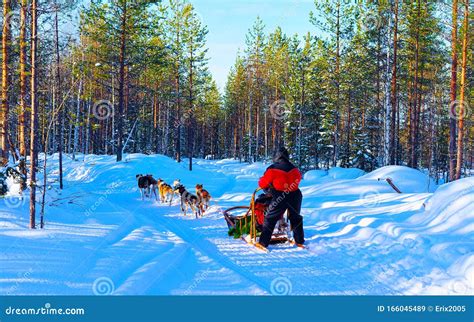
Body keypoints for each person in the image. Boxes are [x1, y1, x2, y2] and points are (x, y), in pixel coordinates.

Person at [256, 147, 305, 250]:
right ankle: (300, 240)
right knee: (296, 218)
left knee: (270, 218)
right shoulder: (295, 169)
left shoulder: (272, 168)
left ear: (276, 156)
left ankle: (263, 243)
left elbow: (262, 183)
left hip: (280, 196)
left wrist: (269, 188)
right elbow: (298, 180)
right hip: (295, 195)